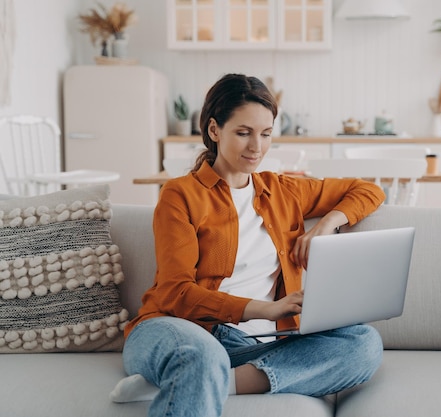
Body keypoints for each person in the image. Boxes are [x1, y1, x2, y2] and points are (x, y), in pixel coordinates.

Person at [111, 73, 387, 417]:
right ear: (214, 130)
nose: (256, 147)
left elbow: (368, 190)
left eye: (266, 134)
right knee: (202, 356)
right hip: (179, 331)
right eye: (243, 133)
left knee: (363, 343)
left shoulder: (284, 190)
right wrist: (264, 309)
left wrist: (329, 223)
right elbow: (175, 293)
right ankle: (197, 372)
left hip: (256, 346)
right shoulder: (180, 194)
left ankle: (213, 381)